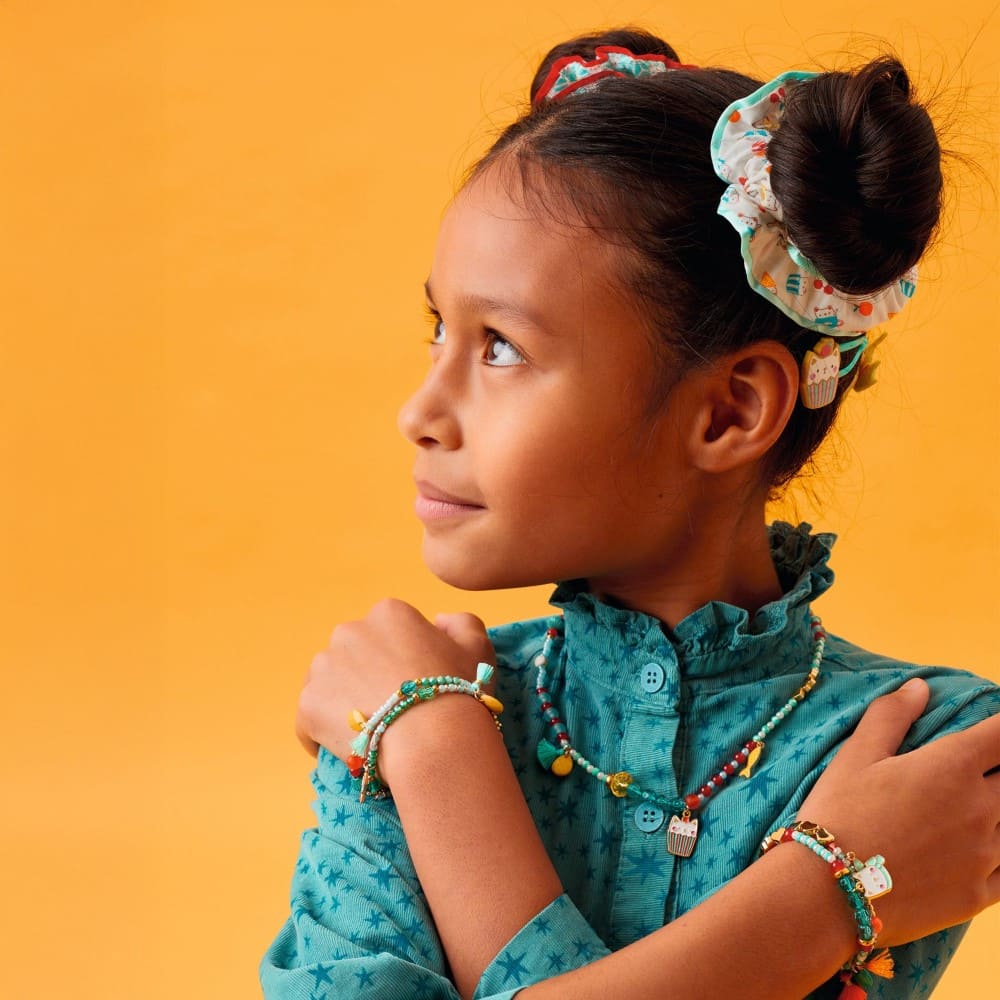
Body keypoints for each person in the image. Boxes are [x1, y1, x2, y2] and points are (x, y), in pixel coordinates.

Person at [260, 27, 1000, 1000]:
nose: (419, 411)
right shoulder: (414, 696)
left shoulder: (929, 753)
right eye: (440, 328)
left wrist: (439, 757)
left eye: (500, 348)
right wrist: (830, 888)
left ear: (730, 410)